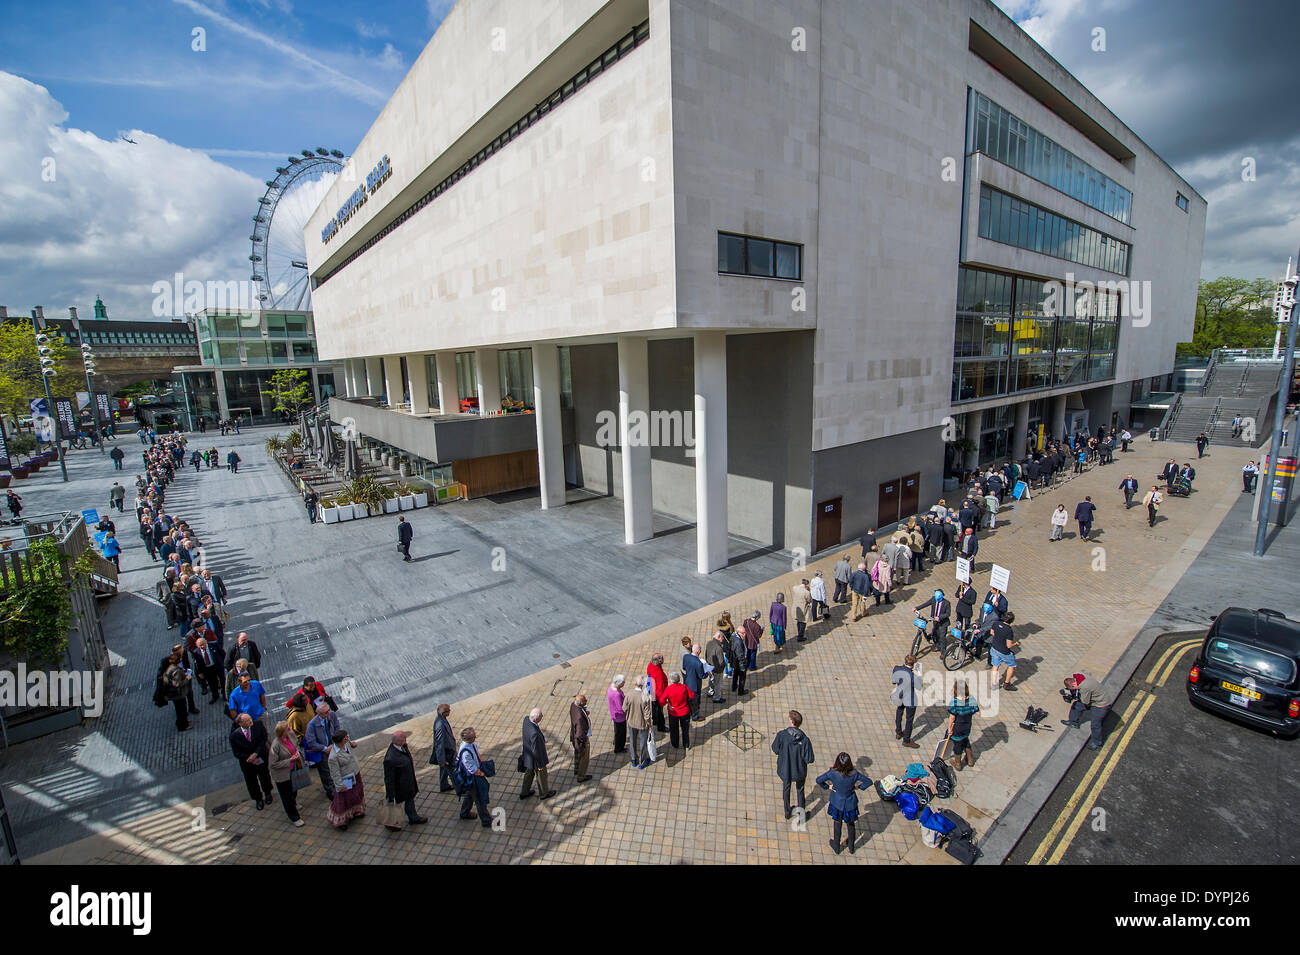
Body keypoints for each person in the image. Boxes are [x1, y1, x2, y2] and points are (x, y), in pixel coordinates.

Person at [816, 753, 873, 855]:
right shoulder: (854, 774)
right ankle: (851, 847)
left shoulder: (832, 773)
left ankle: (837, 847)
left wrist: (827, 787)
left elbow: (819, 780)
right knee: (851, 825)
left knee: (837, 824)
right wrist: (858, 787)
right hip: (850, 804)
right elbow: (868, 782)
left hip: (837, 803)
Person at [770, 710, 815, 820]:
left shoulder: (782, 735)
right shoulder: (805, 740)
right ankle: (802, 814)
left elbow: (775, 749)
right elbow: (810, 759)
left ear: (791, 721)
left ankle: (787, 812)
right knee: (800, 790)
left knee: (786, 788)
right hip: (799, 770)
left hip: (785, 768)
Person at [382, 730, 428, 828]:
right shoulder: (390, 758)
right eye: (404, 738)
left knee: (409, 800)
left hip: (408, 782)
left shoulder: (402, 747)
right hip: (400, 786)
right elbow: (389, 778)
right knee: (396, 804)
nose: (406, 740)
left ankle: (413, 817)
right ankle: (392, 823)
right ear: (397, 742)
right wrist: (390, 793)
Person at [230, 713, 275, 809]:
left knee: (264, 775)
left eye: (250, 718)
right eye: (247, 720)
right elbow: (237, 753)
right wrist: (249, 758)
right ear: (240, 723)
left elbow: (263, 739)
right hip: (247, 763)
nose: (251, 721)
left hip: (260, 757)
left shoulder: (258, 724)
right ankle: (258, 798)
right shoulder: (234, 736)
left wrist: (256, 754)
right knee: (251, 781)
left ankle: (268, 793)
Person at [269, 721, 307, 827]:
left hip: (293, 769)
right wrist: (290, 760)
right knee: (286, 796)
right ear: (282, 732)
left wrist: (297, 753)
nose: (290, 729)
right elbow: (273, 764)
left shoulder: (290, 735)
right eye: (288, 729)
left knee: (294, 788)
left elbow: (296, 746)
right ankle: (294, 817)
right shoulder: (276, 745)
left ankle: (294, 802)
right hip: (282, 774)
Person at [326, 730, 367, 829]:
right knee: (343, 800)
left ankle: (357, 811)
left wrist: (354, 745)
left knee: (356, 793)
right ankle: (341, 820)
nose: (348, 738)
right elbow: (335, 773)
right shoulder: (333, 757)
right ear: (340, 741)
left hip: (355, 773)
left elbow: (351, 747)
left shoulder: (347, 743)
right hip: (345, 779)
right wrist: (340, 785)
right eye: (345, 738)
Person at [456, 727, 493, 827]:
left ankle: (464, 812)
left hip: (473, 775)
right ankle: (486, 820)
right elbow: (471, 768)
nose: (475, 737)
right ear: (468, 739)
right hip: (472, 778)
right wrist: (481, 773)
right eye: (473, 736)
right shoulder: (465, 753)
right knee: (480, 799)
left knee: (470, 795)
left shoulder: (471, 745)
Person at [304, 702, 340, 800]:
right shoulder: (311, 725)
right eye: (326, 713)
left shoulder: (332, 715)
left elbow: (337, 727)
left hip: (333, 746)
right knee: (325, 772)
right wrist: (324, 748)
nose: (329, 714)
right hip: (322, 751)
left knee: (336, 767)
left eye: (329, 711)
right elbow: (311, 742)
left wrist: (335, 743)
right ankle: (330, 790)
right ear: (319, 714)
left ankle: (337, 784)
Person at [520, 708, 557, 799]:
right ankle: (544, 793)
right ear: (536, 719)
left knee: (529, 774)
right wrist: (540, 764)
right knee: (541, 776)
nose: (542, 717)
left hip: (528, 756)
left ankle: (524, 792)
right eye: (541, 716)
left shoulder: (526, 720)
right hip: (536, 759)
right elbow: (536, 750)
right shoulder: (535, 734)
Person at [156, 649, 194, 732]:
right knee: (181, 709)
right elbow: (177, 684)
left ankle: (184, 721)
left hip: (174, 694)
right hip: (177, 695)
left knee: (181, 709)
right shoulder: (176, 670)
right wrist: (187, 678)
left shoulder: (171, 668)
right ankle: (183, 725)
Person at [946, 680, 980, 770]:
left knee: (958, 745)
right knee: (965, 740)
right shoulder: (971, 699)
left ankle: (958, 763)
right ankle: (970, 760)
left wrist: (949, 728)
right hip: (967, 725)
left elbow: (952, 718)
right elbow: (978, 712)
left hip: (957, 727)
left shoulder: (954, 702)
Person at [890, 654, 922, 749]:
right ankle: (906, 740)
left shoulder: (897, 669)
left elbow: (893, 681)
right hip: (910, 699)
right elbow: (919, 687)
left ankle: (898, 732)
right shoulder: (913, 676)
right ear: (913, 664)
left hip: (899, 696)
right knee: (909, 719)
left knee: (899, 713)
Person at [659, 671, 695, 749]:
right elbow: (692, 695)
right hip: (685, 711)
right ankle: (686, 744)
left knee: (674, 729)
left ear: (671, 681)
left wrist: (667, 703)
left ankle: (675, 744)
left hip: (673, 712)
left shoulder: (669, 689)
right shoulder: (684, 687)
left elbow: (661, 701)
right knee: (685, 730)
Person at [986, 610, 1020, 691]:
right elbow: (1008, 645)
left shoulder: (996, 623)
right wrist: (1016, 644)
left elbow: (992, 633)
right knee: (1012, 665)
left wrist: (998, 637)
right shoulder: (1009, 630)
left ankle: (994, 684)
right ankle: (1007, 684)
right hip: (1004, 651)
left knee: (995, 666)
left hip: (994, 648)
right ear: (1011, 621)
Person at [626, 676, 654, 768]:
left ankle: (633, 759)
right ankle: (642, 761)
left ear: (635, 684)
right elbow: (647, 714)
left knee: (632, 741)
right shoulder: (645, 697)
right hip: (642, 724)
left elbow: (624, 708)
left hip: (631, 722)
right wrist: (650, 724)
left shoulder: (629, 694)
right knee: (643, 743)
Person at [191, 635, 225, 705]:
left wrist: (223, 663)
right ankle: (215, 696)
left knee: (222, 681)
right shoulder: (196, 652)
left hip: (217, 666)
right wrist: (200, 673)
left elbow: (222, 653)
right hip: (208, 669)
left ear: (206, 642)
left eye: (203, 644)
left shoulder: (214, 645)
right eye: (200, 645)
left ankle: (224, 694)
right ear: (197, 646)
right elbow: (197, 663)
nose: (203, 646)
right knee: (212, 683)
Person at [430, 703, 457, 792]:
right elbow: (439, 743)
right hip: (447, 753)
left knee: (444, 770)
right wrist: (441, 760)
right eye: (448, 711)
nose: (450, 712)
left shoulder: (441, 719)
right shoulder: (440, 725)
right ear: (443, 713)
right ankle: (459, 789)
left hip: (446, 752)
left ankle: (444, 785)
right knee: (452, 771)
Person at [567, 693, 592, 781]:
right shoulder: (580, 717)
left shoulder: (573, 705)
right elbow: (580, 733)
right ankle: (581, 776)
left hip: (574, 738)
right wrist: (584, 741)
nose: (586, 701)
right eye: (585, 700)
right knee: (584, 758)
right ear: (580, 703)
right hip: (581, 741)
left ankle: (577, 770)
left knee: (577, 754)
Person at [682, 645, 706, 720]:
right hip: (695, 685)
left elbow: (684, 667)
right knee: (695, 701)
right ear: (698, 651)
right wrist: (707, 673)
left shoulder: (686, 656)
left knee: (688, 699)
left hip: (687, 682)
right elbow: (702, 676)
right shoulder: (698, 663)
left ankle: (688, 712)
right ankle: (695, 716)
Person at [647, 654, 669, 731]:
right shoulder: (658, 672)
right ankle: (661, 726)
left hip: (653, 693)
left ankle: (655, 720)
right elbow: (660, 687)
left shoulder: (650, 665)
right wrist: (662, 700)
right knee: (659, 711)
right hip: (658, 695)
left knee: (654, 708)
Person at [607, 676, 628, 752]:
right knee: (621, 733)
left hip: (614, 714)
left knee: (617, 731)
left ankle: (616, 742)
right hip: (619, 717)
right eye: (623, 683)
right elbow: (620, 708)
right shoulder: (617, 694)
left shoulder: (611, 687)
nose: (624, 684)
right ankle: (619, 748)